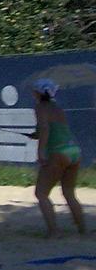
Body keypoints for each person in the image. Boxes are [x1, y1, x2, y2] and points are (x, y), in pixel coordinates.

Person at [31, 78, 85, 237]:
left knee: (41, 194)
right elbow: (55, 129)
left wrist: (40, 152)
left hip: (58, 152)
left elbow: (46, 129)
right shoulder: (57, 108)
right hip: (73, 150)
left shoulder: (40, 107)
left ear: (39, 92)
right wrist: (37, 134)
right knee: (69, 193)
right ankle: (83, 230)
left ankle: (53, 232)